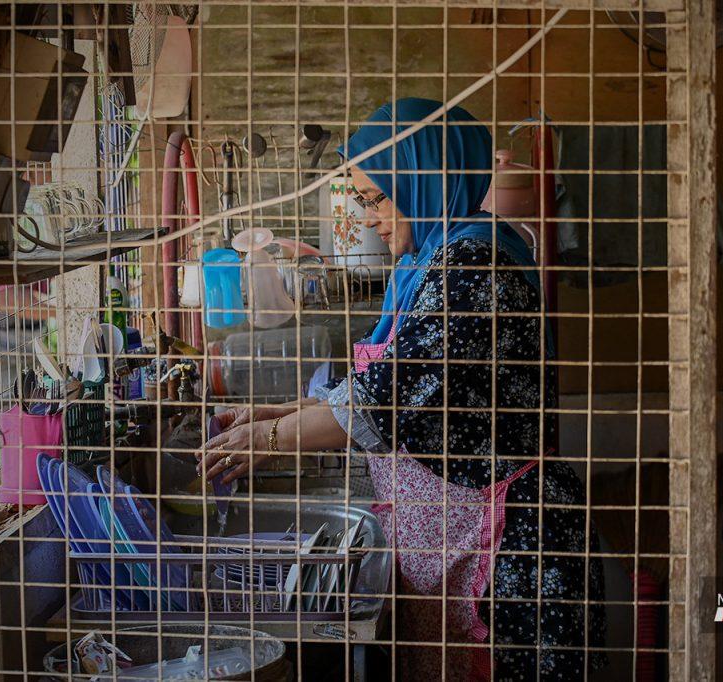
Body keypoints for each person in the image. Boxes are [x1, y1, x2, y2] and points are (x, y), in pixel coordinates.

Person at [198, 98, 606, 680]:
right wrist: (285, 410)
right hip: (460, 535)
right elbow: (389, 381)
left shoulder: (472, 266)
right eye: (366, 200)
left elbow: (383, 401)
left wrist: (270, 436)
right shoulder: (430, 262)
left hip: (506, 552)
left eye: (377, 198)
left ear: (425, 178)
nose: (368, 218)